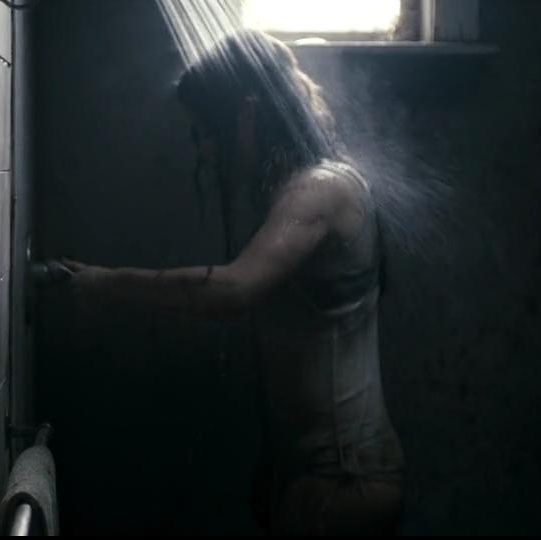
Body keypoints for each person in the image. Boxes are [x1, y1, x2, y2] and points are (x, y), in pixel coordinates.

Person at [62, 29, 406, 535]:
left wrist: (107, 284)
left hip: (345, 482)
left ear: (247, 115)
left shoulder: (319, 190)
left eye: (207, 133)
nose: (203, 152)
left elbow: (232, 290)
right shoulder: (299, 191)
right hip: (326, 477)